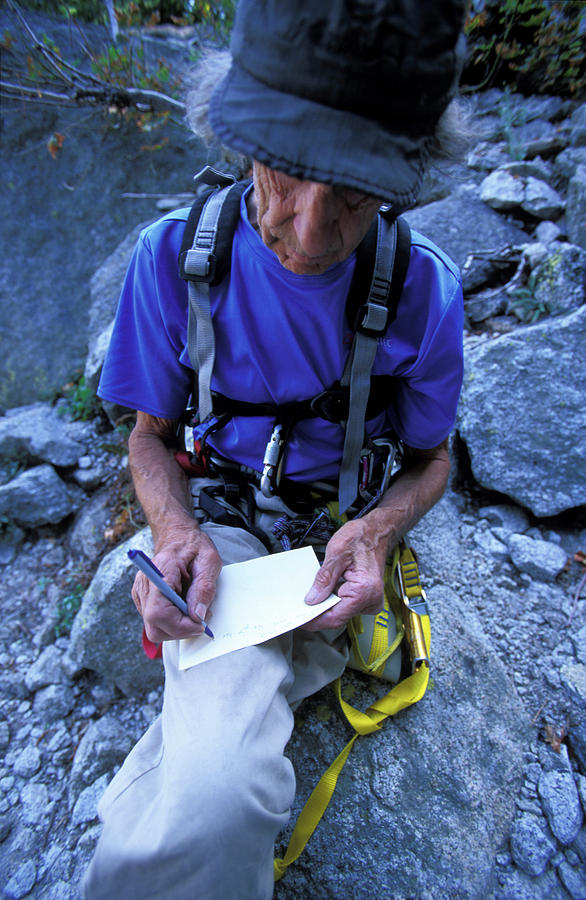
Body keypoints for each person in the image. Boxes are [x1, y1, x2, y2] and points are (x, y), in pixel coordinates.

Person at [83, 1, 467, 897]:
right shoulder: (173, 261)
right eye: (288, 172)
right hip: (232, 533)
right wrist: (175, 527)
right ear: (237, 131)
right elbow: (149, 435)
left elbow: (432, 458)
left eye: (357, 192)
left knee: (213, 787)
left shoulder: (421, 292)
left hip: (335, 536)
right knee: (221, 793)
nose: (306, 231)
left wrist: (375, 534)